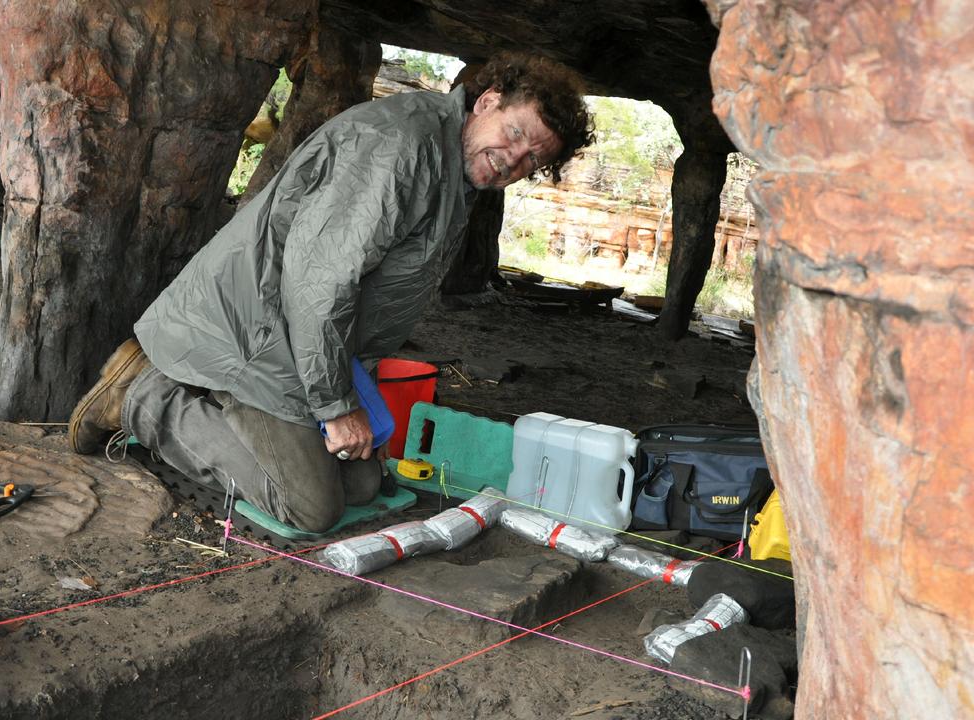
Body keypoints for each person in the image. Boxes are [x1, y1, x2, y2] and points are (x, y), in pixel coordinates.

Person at [67, 53, 594, 533]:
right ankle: (142, 397)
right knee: (311, 507)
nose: (514, 159)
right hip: (254, 329)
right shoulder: (402, 148)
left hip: (303, 341)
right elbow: (321, 283)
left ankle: (208, 393)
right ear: (487, 102)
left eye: (532, 159)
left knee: (362, 484)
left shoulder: (455, 165)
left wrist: (351, 394)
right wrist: (337, 406)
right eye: (515, 133)